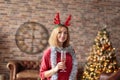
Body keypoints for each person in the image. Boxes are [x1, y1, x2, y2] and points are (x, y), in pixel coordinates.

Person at [39, 13, 78, 80]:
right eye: (59, 32)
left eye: (65, 33)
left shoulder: (71, 51)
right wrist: (55, 69)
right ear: (55, 34)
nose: (63, 35)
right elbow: (42, 75)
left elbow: (73, 70)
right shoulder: (48, 52)